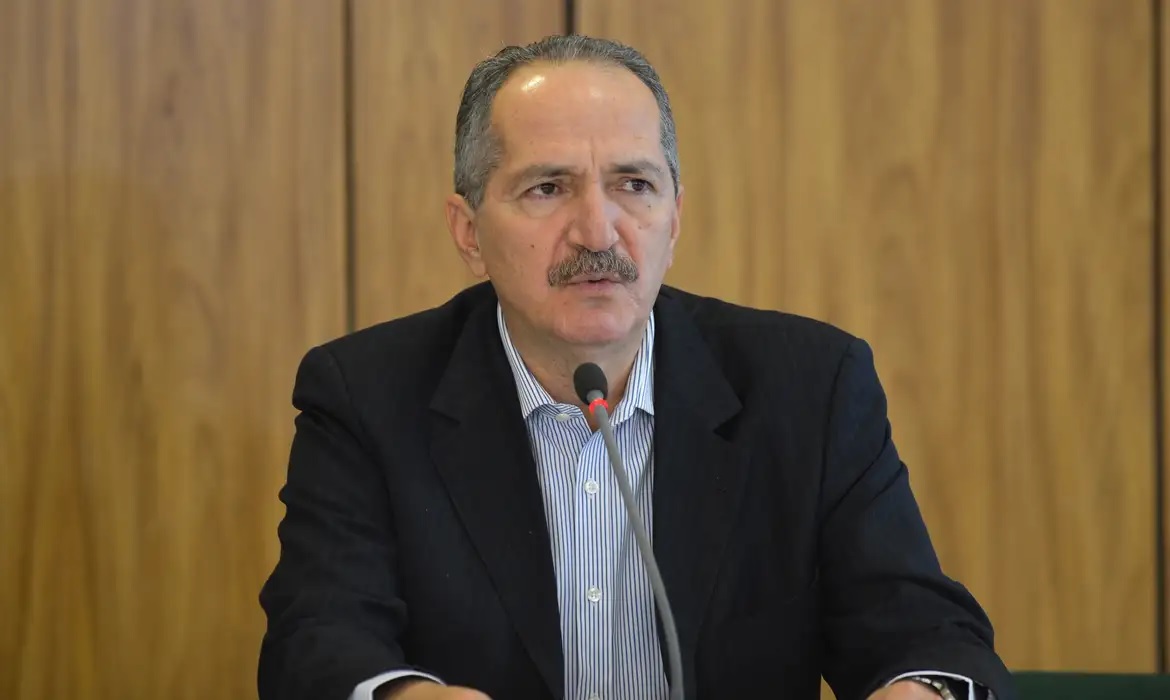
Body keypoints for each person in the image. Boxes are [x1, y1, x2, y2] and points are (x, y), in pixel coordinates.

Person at [258, 35, 1013, 700]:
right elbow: (316, 640)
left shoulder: (809, 388)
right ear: (468, 232)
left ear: (673, 219)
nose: (598, 231)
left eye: (634, 185)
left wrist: (919, 689)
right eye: (548, 188)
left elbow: (925, 630)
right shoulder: (366, 397)